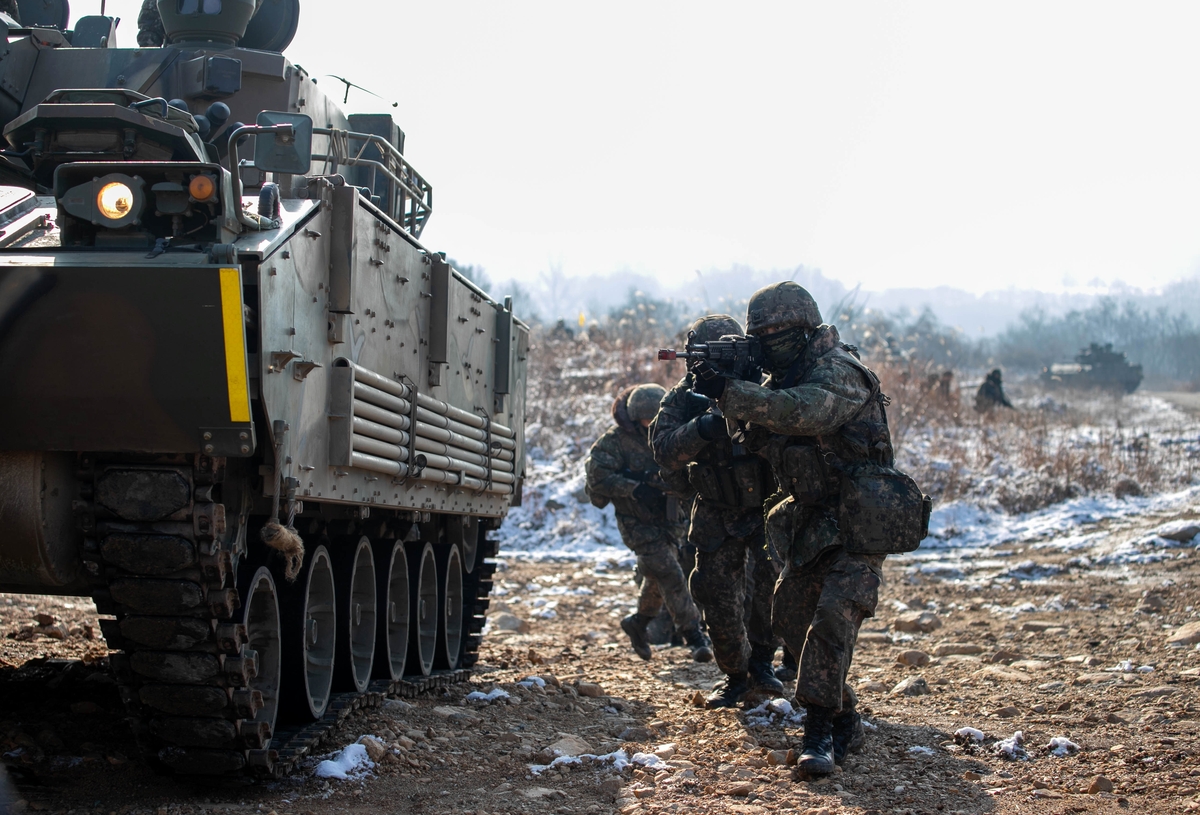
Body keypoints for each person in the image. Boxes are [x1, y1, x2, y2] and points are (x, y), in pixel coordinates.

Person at [691, 282, 911, 776]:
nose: (769, 340)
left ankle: (818, 735)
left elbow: (804, 413)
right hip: (810, 519)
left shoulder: (840, 372)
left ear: (805, 328)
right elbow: (758, 439)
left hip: (860, 518)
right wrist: (730, 388)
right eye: (760, 334)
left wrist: (735, 392)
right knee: (789, 621)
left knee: (832, 618)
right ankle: (842, 712)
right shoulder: (781, 380)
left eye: (777, 331)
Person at [649, 315, 783, 708]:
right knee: (716, 599)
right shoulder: (684, 397)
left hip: (765, 510)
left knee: (770, 597)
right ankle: (736, 676)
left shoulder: (765, 388)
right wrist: (704, 427)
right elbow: (663, 449)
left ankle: (763, 664)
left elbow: (796, 426)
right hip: (715, 510)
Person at [585, 383, 713, 663]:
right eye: (645, 419)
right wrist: (634, 486)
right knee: (670, 573)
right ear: (633, 417)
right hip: (636, 522)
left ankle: (639, 622)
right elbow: (595, 479)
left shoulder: (671, 434)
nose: (650, 424)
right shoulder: (615, 441)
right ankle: (694, 636)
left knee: (657, 576)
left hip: (670, 520)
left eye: (654, 418)